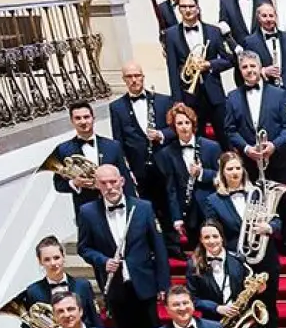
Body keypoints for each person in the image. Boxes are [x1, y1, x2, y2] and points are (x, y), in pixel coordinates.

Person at [76, 163, 171, 328]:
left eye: (113, 182)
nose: (110, 187)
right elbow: (83, 248)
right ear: (97, 185)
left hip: (145, 285)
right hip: (116, 290)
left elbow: (159, 248)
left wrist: (164, 284)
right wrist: (103, 261)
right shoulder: (88, 212)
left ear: (122, 181)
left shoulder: (143, 207)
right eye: (104, 183)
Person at [199, 154, 284, 328]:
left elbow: (277, 219)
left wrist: (269, 227)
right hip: (238, 262)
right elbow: (214, 231)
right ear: (222, 173)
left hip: (264, 258)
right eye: (229, 169)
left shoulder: (257, 192)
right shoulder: (213, 201)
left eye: (237, 168)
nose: (234, 173)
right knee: (246, 309)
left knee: (268, 304)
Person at [222, 50, 286, 259]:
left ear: (260, 67)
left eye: (252, 66)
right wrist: (246, 149)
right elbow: (230, 130)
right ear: (240, 71)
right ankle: (261, 243)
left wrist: (274, 145)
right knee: (255, 204)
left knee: (284, 202)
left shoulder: (279, 94)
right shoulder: (232, 97)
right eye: (245, 67)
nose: (249, 71)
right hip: (250, 162)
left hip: (277, 159)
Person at [107, 64, 177, 256]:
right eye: (129, 76)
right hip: (139, 169)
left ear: (143, 77)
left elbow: (175, 130)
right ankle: (154, 250)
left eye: (137, 75)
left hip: (163, 164)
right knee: (145, 211)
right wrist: (125, 170)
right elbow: (118, 142)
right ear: (124, 80)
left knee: (167, 207)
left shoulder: (163, 101)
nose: (134, 80)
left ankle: (174, 247)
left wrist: (161, 135)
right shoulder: (116, 107)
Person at [243, 0, 286, 187]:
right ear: (258, 18)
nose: (268, 19)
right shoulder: (250, 41)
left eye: (271, 15)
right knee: (275, 136)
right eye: (264, 16)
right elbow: (244, 70)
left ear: (276, 16)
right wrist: (263, 71)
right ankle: (280, 176)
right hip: (268, 97)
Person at [164, 0, 234, 146]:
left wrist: (209, 65)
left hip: (214, 94)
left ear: (197, 8)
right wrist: (177, 100)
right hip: (189, 96)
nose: (188, 10)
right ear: (179, 9)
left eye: (191, 6)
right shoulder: (171, 34)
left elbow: (228, 60)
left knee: (225, 138)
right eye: (183, 7)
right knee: (196, 140)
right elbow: (172, 69)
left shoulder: (214, 31)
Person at [46, 102, 134, 222]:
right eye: (78, 118)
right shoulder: (63, 149)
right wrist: (75, 183)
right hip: (86, 211)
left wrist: (133, 209)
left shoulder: (113, 146)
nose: (83, 122)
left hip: (117, 207)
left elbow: (126, 180)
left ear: (93, 118)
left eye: (86, 117)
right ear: (72, 121)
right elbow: (58, 184)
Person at [152, 103, 223, 236]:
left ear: (193, 124)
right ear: (174, 127)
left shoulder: (211, 147)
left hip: (212, 207)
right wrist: (177, 217)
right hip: (188, 212)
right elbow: (171, 188)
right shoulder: (167, 153)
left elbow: (222, 176)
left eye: (187, 122)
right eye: (179, 123)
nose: (184, 127)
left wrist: (202, 173)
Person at [19, 236, 102, 328]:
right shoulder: (33, 291)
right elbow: (26, 323)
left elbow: (95, 318)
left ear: (63, 257)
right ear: (40, 261)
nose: (53, 263)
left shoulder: (83, 285)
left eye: (56, 258)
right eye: (47, 259)